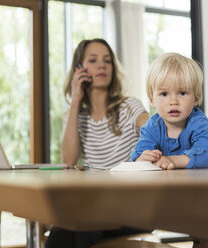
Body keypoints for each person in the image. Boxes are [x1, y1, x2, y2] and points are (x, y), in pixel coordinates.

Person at [45, 38, 149, 248]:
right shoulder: (79, 117)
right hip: (96, 208)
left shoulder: (130, 106)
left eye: (107, 61)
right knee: (63, 228)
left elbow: (153, 129)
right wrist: (75, 99)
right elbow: (68, 160)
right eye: (93, 60)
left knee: (81, 224)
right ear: (79, 69)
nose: (102, 65)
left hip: (134, 208)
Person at [131, 52, 208, 170]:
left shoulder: (199, 123)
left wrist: (172, 160)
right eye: (164, 94)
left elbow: (204, 155)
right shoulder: (152, 126)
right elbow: (140, 151)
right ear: (152, 100)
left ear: (195, 98)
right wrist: (141, 159)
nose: (173, 101)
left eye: (182, 93)